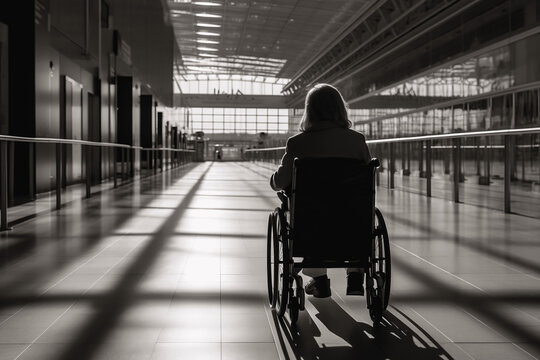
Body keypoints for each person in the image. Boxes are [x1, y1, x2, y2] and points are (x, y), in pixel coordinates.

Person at [269, 83, 371, 299]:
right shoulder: (357, 140)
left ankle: (319, 280)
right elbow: (367, 177)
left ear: (310, 110)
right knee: (352, 212)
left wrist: (274, 180)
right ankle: (355, 275)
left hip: (311, 223)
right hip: (351, 220)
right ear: (340, 109)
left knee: (307, 213)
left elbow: (281, 181)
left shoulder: (297, 143)